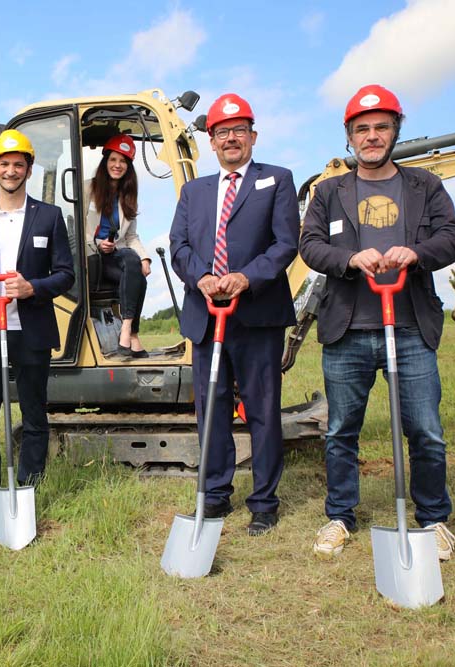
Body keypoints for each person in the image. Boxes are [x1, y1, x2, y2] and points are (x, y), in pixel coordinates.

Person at [299, 84, 455, 560]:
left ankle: (433, 520)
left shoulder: (425, 187)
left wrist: (416, 253)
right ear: (349, 137)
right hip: (347, 329)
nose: (372, 137)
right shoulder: (329, 192)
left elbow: (454, 237)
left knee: (426, 431)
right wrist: (351, 258)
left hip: (410, 323)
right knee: (341, 431)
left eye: (381, 127)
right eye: (362, 129)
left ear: (396, 130)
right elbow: (309, 245)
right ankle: (339, 516)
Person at [168, 93, 299, 536]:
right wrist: (202, 278)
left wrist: (245, 278)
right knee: (212, 408)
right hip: (207, 315)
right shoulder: (194, 191)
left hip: (257, 314)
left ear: (253, 137)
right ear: (211, 142)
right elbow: (179, 247)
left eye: (238, 131)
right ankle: (217, 495)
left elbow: (285, 244)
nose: (230, 139)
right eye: (222, 133)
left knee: (262, 409)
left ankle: (264, 502)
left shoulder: (276, 180)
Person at [0, 129, 75, 520]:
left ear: (29, 168)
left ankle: (28, 490)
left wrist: (31, 287)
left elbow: (66, 275)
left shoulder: (49, 217)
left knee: (34, 416)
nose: (11, 170)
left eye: (18, 164)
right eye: (4, 164)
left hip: (31, 332)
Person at [84, 134, 151, 357]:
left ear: (128, 167)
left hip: (116, 255)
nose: (117, 165)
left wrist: (145, 257)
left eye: (123, 161)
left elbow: (131, 236)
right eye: (113, 159)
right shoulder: (87, 189)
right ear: (105, 162)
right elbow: (74, 226)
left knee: (136, 264)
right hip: (92, 256)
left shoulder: (128, 197)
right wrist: (96, 242)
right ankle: (132, 335)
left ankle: (126, 330)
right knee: (134, 268)